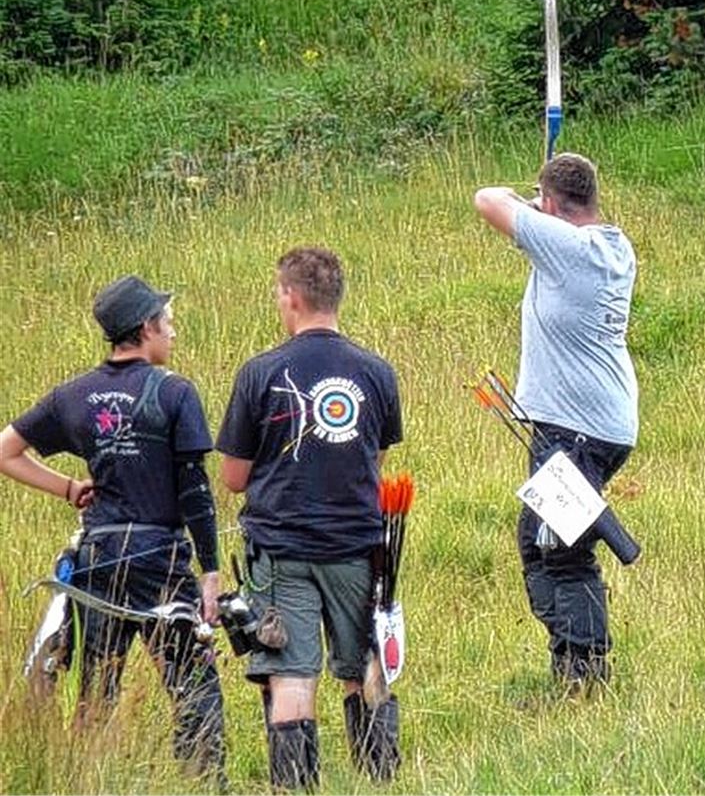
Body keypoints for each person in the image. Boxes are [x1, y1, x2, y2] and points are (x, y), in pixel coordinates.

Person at [0, 275, 226, 783]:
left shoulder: (74, 395)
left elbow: (5, 451)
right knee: (192, 683)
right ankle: (203, 783)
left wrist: (66, 488)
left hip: (99, 558)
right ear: (146, 327)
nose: (173, 330)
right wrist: (211, 570)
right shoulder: (174, 393)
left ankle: (84, 783)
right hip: (160, 560)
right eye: (167, 321)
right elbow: (194, 490)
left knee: (97, 689)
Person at [216, 247, 403, 791]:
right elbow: (375, 460)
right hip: (359, 548)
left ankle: (296, 787)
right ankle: (379, 781)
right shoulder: (376, 372)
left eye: (279, 292)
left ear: (291, 297)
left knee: (292, 678)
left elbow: (232, 477)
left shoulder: (260, 372)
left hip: (281, 550)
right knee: (365, 670)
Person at [474, 152, 639, 689]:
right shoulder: (614, 246)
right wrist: (541, 206)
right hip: (594, 425)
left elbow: (487, 199)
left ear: (550, 205)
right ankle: (573, 663)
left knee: (560, 554)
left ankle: (584, 676)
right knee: (543, 543)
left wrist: (531, 207)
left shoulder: (567, 247)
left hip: (574, 431)